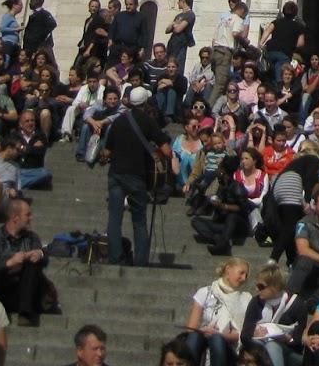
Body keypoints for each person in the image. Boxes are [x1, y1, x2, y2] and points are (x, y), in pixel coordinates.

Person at [105, 84, 169, 265]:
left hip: (116, 173)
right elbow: (166, 149)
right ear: (145, 102)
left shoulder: (118, 121)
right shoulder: (148, 121)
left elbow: (107, 151)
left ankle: (114, 257)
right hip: (136, 175)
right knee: (139, 220)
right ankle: (140, 260)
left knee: (114, 218)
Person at [0, 196, 52, 327]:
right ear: (15, 218)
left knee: (32, 266)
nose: (31, 218)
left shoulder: (31, 238)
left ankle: (25, 314)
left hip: (25, 292)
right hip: (1, 291)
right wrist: (10, 263)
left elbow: (44, 258)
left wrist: (40, 253)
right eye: (27, 215)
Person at [184, 257, 252, 366]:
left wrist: (222, 335)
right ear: (228, 269)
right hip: (203, 339)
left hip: (230, 346)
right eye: (241, 273)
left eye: (246, 275)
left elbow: (244, 333)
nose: (243, 278)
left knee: (217, 338)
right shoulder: (205, 292)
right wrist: (205, 330)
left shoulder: (246, 298)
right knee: (194, 337)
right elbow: (191, 327)